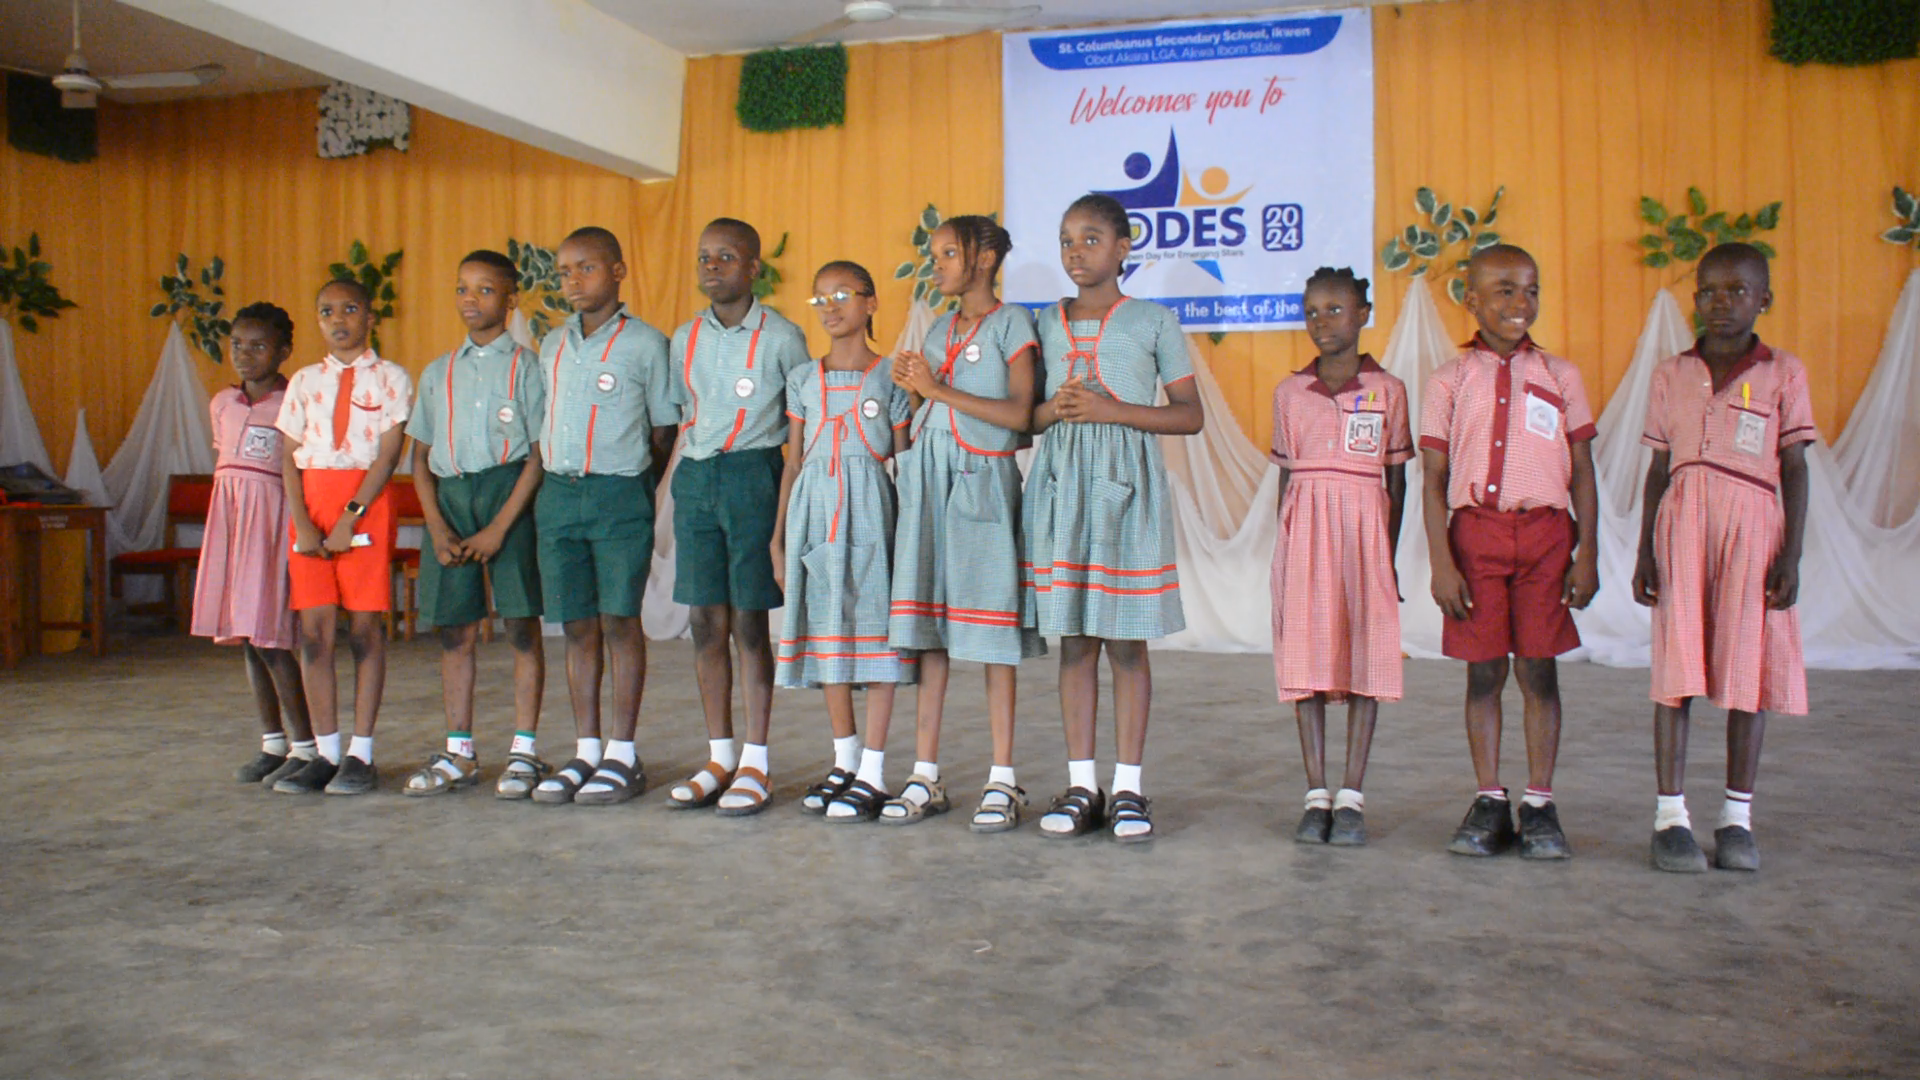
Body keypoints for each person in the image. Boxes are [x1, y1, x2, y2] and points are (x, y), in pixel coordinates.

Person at [1024, 193, 1205, 843]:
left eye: (1091, 239)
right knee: (1075, 640)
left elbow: (1189, 414)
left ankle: (1128, 786)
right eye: (1066, 240)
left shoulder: (1153, 320)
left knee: (1127, 640)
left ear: (1125, 248)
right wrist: (1056, 409)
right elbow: (1028, 416)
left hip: (1127, 489)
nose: (1076, 252)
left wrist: (1112, 411)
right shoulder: (1044, 322)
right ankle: (1082, 785)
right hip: (1063, 487)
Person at [1632, 242, 1812, 873]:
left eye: (1738, 291)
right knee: (1676, 672)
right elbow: (1658, 469)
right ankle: (1670, 818)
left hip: (1753, 532)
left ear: (1764, 299)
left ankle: (1737, 819)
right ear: (1695, 299)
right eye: (1709, 291)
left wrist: (1791, 554)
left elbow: (1795, 466)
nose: (1721, 303)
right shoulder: (1671, 373)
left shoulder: (1784, 372)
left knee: (1746, 673)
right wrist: (1645, 551)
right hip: (1683, 529)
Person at [1420, 244, 1598, 858]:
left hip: (1547, 537)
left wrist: (1587, 553)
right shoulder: (1448, 380)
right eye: (1504, 290)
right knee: (1485, 671)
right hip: (1476, 537)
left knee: (1539, 669)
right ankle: (1489, 798)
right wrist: (1441, 562)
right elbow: (1434, 478)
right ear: (1471, 300)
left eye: (1531, 289)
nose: (1521, 302)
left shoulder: (1560, 375)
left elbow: (1582, 469)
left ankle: (1540, 803)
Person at [883, 215, 1044, 831]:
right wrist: (910, 391)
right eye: (936, 254)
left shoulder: (1012, 323)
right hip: (930, 480)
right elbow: (918, 406)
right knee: (930, 635)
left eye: (949, 253)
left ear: (984, 259)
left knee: (992, 636)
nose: (939, 265)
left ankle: (1002, 778)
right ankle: (925, 773)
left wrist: (935, 389)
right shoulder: (939, 329)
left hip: (982, 483)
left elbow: (1020, 415)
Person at [664, 219, 812, 817]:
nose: (712, 266)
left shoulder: (783, 337)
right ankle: (719, 757)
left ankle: (756, 761)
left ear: (753, 268)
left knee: (750, 622)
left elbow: (801, 421)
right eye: (705, 256)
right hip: (698, 476)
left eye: (726, 257)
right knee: (705, 620)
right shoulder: (685, 337)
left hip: (755, 476)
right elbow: (682, 412)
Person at [527, 227, 677, 807]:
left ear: (617, 272)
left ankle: (622, 753)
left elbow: (663, 430)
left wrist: (634, 484)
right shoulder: (552, 345)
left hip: (619, 494)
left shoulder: (646, 344)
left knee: (619, 620)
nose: (573, 280)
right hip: (558, 496)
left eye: (586, 268)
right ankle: (586, 750)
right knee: (577, 624)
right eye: (565, 271)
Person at [400, 250, 550, 800]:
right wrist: (436, 526)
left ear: (510, 299)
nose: (471, 300)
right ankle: (459, 751)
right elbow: (419, 458)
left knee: (520, 626)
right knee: (455, 631)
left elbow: (538, 455)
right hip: (452, 500)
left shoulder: (528, 367)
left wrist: (499, 528)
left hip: (509, 498)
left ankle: (524, 751)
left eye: (485, 290)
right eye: (463, 289)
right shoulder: (438, 372)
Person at [1268, 267, 1410, 846]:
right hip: (1305, 536)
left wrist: (1387, 557)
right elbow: (1286, 480)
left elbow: (1396, 481)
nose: (1321, 322)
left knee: (1364, 654)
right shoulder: (1289, 392)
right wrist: (1283, 548)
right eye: (1311, 311)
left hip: (1363, 535)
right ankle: (1316, 793)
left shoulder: (1388, 390)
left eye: (1334, 309)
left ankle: (1352, 794)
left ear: (1362, 314)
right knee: (1306, 655)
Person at [772, 260, 914, 822]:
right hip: (813, 513)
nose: (829, 307)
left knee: (877, 635)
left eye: (842, 295)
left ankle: (873, 771)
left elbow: (903, 463)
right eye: (820, 298)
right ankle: (845, 760)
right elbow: (792, 462)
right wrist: (779, 540)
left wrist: (910, 537)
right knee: (829, 630)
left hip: (872, 514)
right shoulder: (803, 379)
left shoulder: (891, 378)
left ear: (871, 303)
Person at [271, 279, 413, 795]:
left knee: (365, 630)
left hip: (364, 507)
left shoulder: (392, 377)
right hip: (312, 506)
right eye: (327, 311)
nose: (338, 320)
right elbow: (287, 457)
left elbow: (388, 454)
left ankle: (361, 752)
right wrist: (303, 521)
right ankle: (326, 751)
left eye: (350, 309)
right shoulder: (304, 381)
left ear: (370, 317)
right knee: (315, 633)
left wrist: (351, 518)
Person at [190, 302, 313, 788]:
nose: (245, 354)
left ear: (283, 351)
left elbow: (298, 472)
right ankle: (272, 744)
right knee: (246, 636)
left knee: (271, 638)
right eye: (238, 344)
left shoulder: (293, 404)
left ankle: (306, 747)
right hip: (231, 524)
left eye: (258, 346)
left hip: (271, 527)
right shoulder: (222, 402)